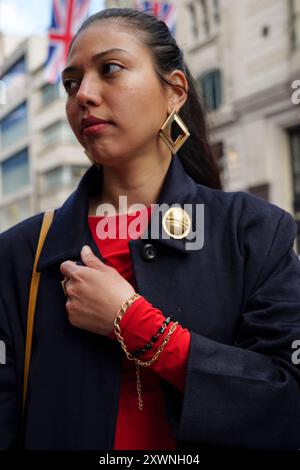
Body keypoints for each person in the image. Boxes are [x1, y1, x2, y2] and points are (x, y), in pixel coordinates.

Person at [0, 7, 300, 451]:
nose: (83, 94)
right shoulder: (19, 253)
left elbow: (288, 399)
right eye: (70, 83)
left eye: (111, 69)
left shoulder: (253, 231)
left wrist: (136, 324)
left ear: (175, 91)